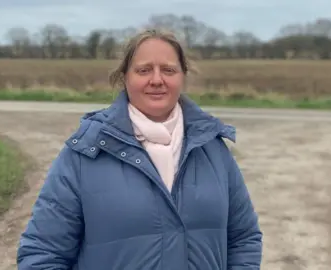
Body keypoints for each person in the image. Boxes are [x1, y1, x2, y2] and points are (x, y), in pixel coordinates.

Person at [16, 28, 263, 270]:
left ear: (183, 76)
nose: (157, 80)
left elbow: (244, 238)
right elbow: (42, 254)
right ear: (125, 77)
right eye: (144, 70)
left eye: (168, 70)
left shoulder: (213, 149)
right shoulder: (84, 153)